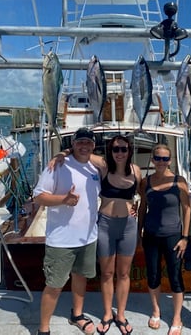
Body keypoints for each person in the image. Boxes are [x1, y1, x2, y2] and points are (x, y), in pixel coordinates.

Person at [50, 135, 141, 335]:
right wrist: (60, 154)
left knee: (124, 274)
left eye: (123, 149)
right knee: (107, 273)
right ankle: (108, 313)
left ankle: (121, 315)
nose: (119, 153)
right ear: (110, 151)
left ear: (129, 151)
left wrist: (135, 211)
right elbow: (78, 150)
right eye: (115, 149)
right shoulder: (103, 166)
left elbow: (139, 196)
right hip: (106, 225)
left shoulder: (136, 171)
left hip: (128, 226)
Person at [33, 127, 100, 335]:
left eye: (88, 142)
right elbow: (38, 197)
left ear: (93, 146)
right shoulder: (58, 165)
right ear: (73, 144)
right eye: (79, 142)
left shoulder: (95, 168)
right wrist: (63, 200)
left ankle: (77, 315)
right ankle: (43, 328)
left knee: (80, 277)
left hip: (88, 237)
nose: (83, 146)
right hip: (61, 240)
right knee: (54, 285)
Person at [137, 144, 191, 335]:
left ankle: (177, 317)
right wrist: (138, 232)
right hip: (151, 235)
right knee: (153, 275)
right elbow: (143, 207)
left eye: (165, 158)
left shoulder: (179, 181)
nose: (161, 162)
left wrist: (185, 237)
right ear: (152, 160)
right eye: (157, 158)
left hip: (173, 236)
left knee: (175, 276)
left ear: (170, 160)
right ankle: (156, 311)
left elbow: (186, 209)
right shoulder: (146, 182)